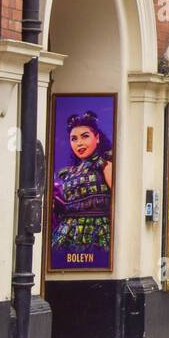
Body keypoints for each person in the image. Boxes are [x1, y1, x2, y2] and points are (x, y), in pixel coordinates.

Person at [50, 109, 113, 265]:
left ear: (97, 138)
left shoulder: (105, 165)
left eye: (85, 136)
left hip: (97, 232)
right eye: (74, 139)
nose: (79, 143)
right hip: (67, 233)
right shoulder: (69, 172)